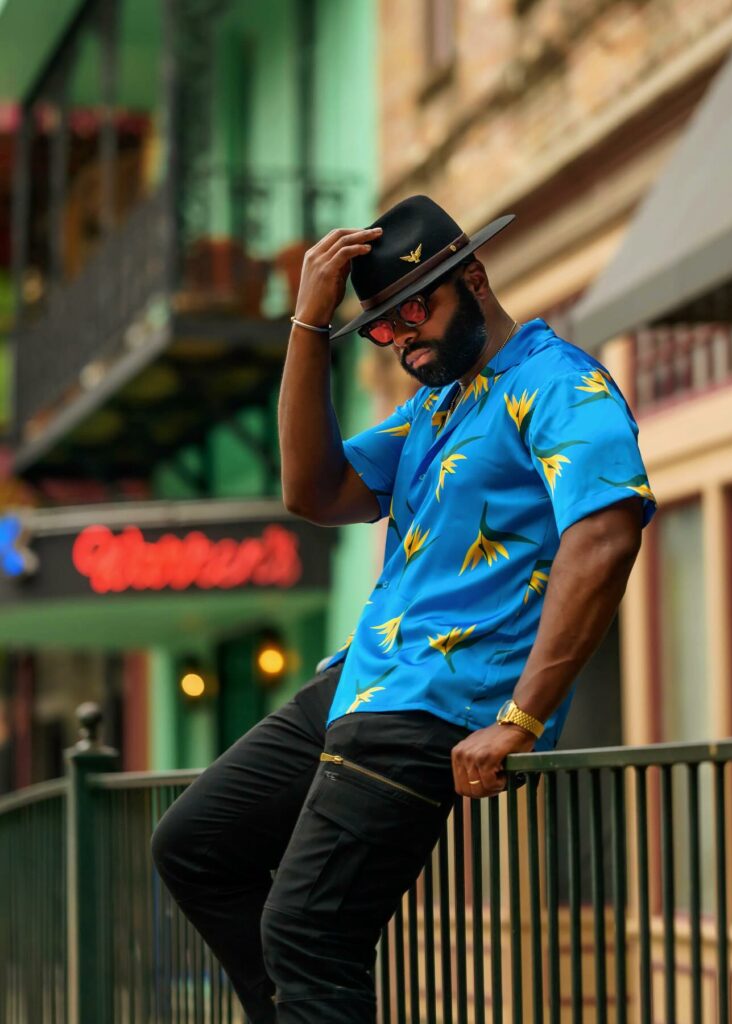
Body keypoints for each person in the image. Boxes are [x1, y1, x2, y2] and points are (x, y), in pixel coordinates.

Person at [151, 194, 657, 1023]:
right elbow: (312, 491)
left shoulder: (560, 382)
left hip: (439, 700)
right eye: (380, 328)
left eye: (412, 308)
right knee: (195, 846)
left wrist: (520, 719)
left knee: (308, 934)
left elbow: (602, 538)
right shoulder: (434, 407)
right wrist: (307, 329)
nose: (400, 338)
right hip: (364, 678)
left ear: (474, 276)